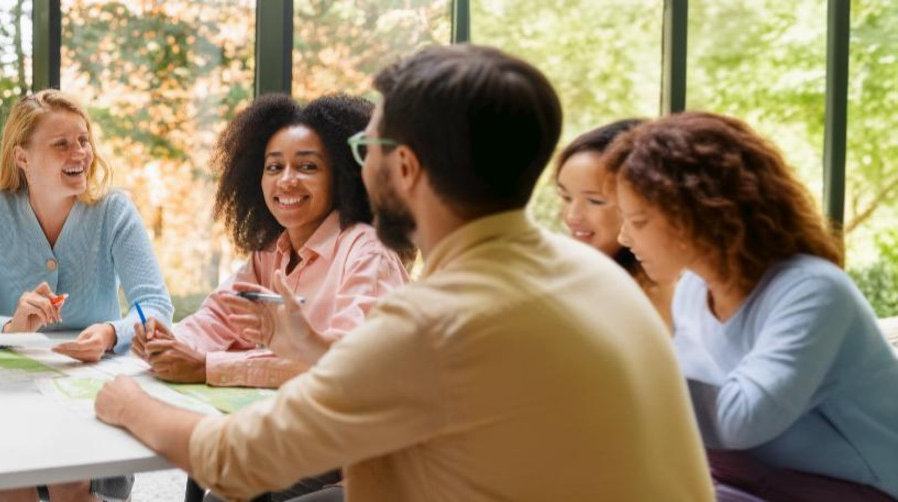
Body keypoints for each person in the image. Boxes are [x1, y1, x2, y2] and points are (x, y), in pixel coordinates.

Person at [92, 44, 714, 502]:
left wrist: (127, 401)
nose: (360, 171)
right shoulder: (591, 274)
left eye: (366, 152)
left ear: (406, 168)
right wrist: (314, 347)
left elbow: (237, 460)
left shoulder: (432, 320)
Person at [604, 111, 898, 502]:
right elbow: (691, 403)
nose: (624, 237)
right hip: (755, 477)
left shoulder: (813, 290)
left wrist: (618, 376)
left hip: (859, 487)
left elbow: (739, 421)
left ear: (696, 215)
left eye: (638, 221)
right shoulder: (694, 288)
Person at [0, 89, 172, 502]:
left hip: (93, 388)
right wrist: (10, 327)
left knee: (78, 486)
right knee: (12, 485)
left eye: (83, 140)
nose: (80, 153)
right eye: (62, 144)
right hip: (16, 389)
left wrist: (109, 332)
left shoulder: (114, 210)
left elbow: (155, 307)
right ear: (22, 157)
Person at [133, 93, 409, 392]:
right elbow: (220, 315)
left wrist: (207, 367)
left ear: (343, 177)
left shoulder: (369, 253)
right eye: (274, 167)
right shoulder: (270, 250)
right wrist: (169, 343)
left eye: (307, 167)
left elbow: (350, 361)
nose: (287, 180)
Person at [553, 118, 673, 325]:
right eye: (566, 197)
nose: (572, 216)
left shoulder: (663, 291)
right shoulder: (563, 274)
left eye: (595, 201)